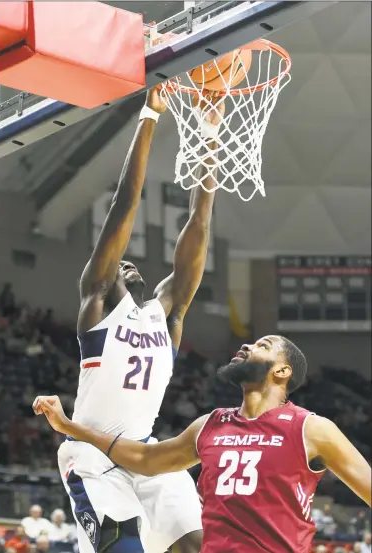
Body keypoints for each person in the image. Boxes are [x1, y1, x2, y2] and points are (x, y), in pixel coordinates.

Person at [52, 87, 224, 553]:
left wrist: (209, 133)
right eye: (118, 264)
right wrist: (150, 114)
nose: (127, 263)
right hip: (91, 455)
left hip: (146, 452)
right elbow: (124, 205)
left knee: (197, 544)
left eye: (131, 263)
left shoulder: (166, 316)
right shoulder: (97, 305)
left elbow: (199, 223)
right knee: (123, 545)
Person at [34, 334, 372, 553]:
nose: (247, 346)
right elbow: (145, 457)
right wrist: (71, 427)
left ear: (282, 372)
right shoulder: (210, 424)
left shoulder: (311, 429)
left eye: (263, 346)